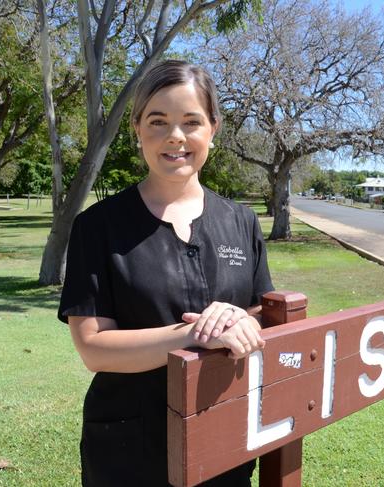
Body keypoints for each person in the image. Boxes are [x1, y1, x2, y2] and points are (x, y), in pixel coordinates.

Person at [58, 59, 274, 487]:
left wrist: (241, 320)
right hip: (129, 455)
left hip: (224, 442)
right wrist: (192, 334)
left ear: (213, 127)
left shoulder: (241, 221)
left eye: (191, 121)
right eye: (158, 121)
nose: (175, 136)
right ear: (137, 128)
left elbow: (262, 315)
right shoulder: (97, 227)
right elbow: (93, 348)